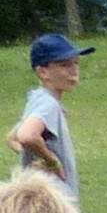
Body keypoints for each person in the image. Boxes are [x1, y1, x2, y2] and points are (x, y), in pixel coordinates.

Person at [12, 33, 94, 200]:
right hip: (52, 201)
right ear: (42, 72)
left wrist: (35, 157)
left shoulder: (37, 97)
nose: (74, 71)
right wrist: (52, 162)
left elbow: (13, 138)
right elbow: (26, 136)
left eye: (76, 63)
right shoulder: (48, 104)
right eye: (64, 65)